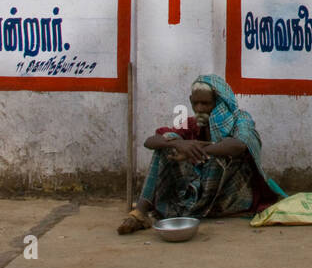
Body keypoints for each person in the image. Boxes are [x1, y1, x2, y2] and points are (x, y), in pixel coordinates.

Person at [119, 74, 284, 234]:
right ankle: (140, 214)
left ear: (218, 102)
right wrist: (179, 144)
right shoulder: (190, 122)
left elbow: (239, 145)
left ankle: (197, 208)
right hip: (200, 188)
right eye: (196, 103)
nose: (200, 109)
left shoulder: (241, 118)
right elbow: (151, 141)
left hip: (230, 193)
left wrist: (198, 150)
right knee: (168, 141)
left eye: (205, 103)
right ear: (190, 101)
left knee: (220, 152)